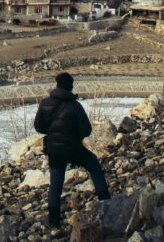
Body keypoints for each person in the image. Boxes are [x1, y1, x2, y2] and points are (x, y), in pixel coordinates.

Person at [33, 72, 110, 228]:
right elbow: (86, 131)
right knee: (94, 165)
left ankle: (54, 221)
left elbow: (39, 127)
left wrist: (54, 133)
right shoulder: (75, 105)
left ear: (57, 85)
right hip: (73, 149)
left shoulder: (45, 103)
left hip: (54, 150)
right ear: (69, 86)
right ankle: (106, 202)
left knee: (56, 184)